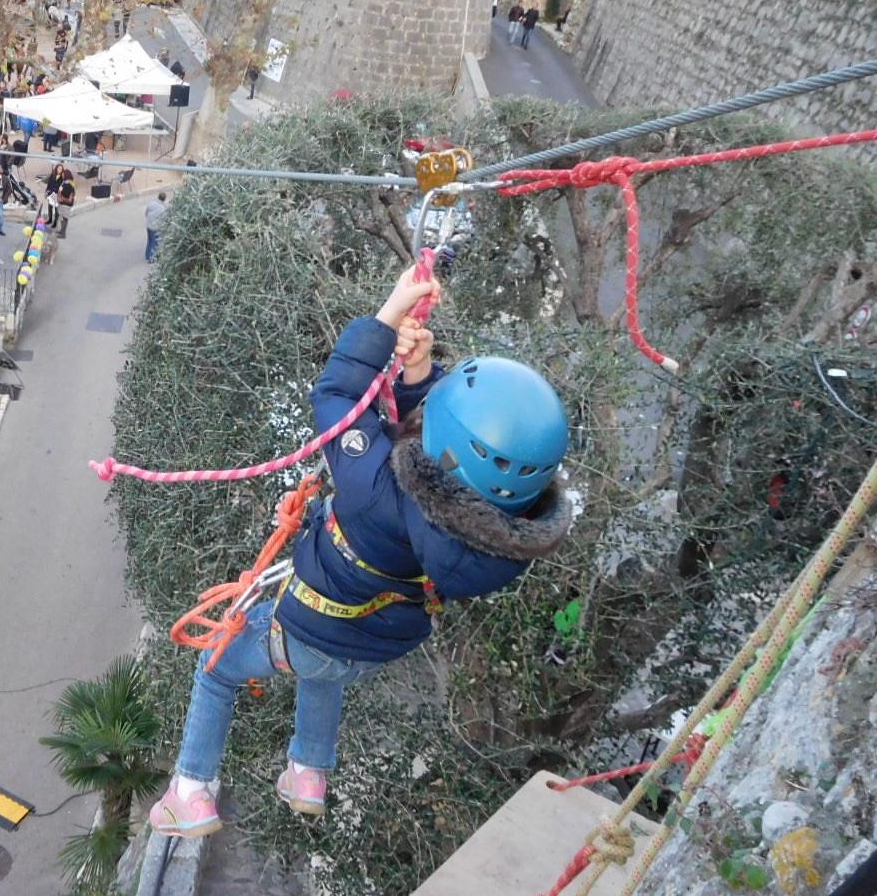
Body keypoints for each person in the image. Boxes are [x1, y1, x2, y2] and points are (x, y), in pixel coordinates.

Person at [147, 265, 572, 837]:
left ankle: (190, 794)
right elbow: (438, 452)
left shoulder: (374, 486)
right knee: (324, 669)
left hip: (313, 629)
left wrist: (389, 312)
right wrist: (418, 373)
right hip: (377, 644)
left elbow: (338, 396)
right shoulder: (499, 534)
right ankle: (308, 773)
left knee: (216, 667)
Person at [144, 191, 167, 263]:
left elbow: (146, 213)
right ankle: (152, 258)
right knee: (155, 242)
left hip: (148, 226)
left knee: (150, 241)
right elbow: (165, 219)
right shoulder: (163, 208)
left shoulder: (152, 203)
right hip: (156, 228)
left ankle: (147, 255)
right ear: (164, 199)